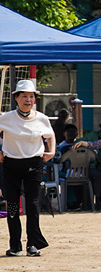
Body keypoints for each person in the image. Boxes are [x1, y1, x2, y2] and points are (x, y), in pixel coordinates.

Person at [1, 79, 56, 256]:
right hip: (11, 166)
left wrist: (52, 151)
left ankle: (33, 245)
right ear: (16, 98)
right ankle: (15, 245)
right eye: (24, 96)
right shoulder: (5, 118)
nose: (28, 99)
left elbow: (50, 135)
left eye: (31, 96)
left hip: (34, 165)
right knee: (12, 208)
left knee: (33, 206)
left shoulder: (42, 118)